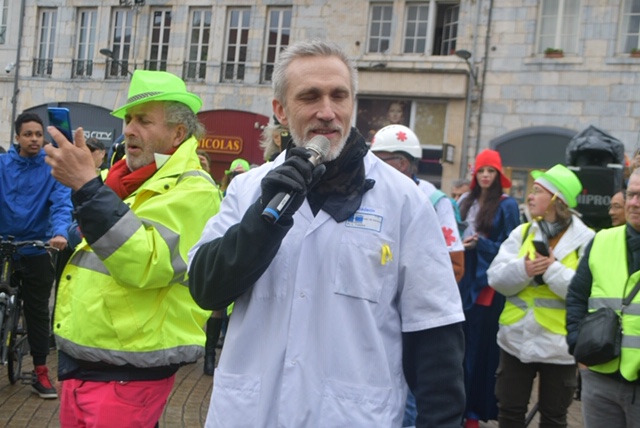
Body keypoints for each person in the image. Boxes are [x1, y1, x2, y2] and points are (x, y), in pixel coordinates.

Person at [188, 39, 465, 427]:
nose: (327, 112)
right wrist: (264, 219)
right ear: (281, 111)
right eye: (310, 97)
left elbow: (435, 336)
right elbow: (205, 289)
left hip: (351, 415)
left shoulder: (404, 200)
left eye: (339, 96)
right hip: (251, 413)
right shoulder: (248, 189)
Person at [43, 70, 221, 427]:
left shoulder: (195, 190)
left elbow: (145, 262)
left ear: (178, 133)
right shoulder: (121, 179)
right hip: (89, 364)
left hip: (128, 373)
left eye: (143, 120)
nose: (128, 130)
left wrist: (87, 188)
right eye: (127, 120)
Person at [487, 164, 594, 427]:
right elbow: (496, 278)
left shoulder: (587, 240)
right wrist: (523, 268)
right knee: (509, 413)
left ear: (556, 200)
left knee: (554, 418)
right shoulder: (522, 232)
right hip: (515, 339)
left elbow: (585, 292)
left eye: (537, 191)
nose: (530, 197)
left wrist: (551, 269)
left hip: (560, 345)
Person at [0, 112, 72, 399]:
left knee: (37, 312)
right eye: (27, 134)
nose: (33, 139)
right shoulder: (3, 165)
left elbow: (61, 203)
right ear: (17, 137)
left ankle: (41, 372)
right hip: (3, 244)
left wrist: (60, 234)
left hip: (38, 246)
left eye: (38, 134)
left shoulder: (52, 168)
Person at [566, 167, 640, 427]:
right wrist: (577, 345)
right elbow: (577, 296)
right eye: (631, 194)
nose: (633, 203)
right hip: (600, 377)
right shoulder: (602, 241)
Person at [457, 149, 520, 428]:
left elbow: (512, 248)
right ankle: (457, 407)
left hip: (486, 286)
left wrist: (480, 244)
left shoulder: (507, 205)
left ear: (498, 175)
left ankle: (473, 412)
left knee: (479, 351)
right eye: (481, 170)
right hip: (461, 279)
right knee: (459, 348)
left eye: (490, 171)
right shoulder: (463, 200)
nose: (485, 175)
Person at [370, 124, 464, 281]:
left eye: (379, 160)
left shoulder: (435, 200)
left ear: (402, 163)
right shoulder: (370, 195)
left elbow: (454, 265)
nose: (372, 165)